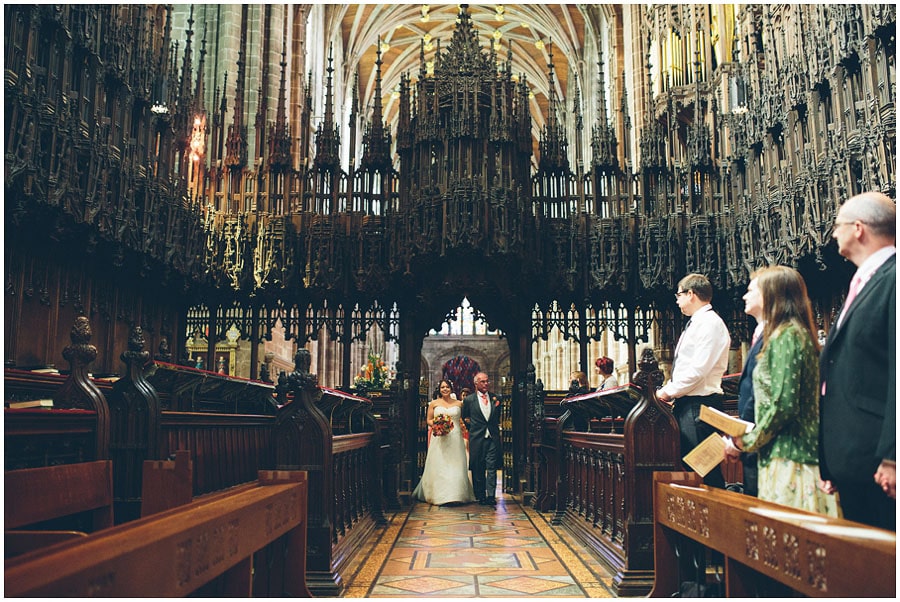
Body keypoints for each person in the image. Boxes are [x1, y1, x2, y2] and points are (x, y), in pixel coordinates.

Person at [723, 266, 839, 516]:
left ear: (772, 294)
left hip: (792, 457)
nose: (745, 296)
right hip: (777, 455)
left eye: (752, 290)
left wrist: (747, 441)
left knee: (793, 541)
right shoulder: (783, 335)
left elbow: (783, 405)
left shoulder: (788, 336)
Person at [819, 191, 895, 530]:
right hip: (854, 459)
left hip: (880, 464)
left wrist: (893, 455)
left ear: (859, 229)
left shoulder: (892, 280)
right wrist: (830, 462)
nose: (834, 233)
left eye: (838, 225)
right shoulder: (862, 281)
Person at [657, 273, 731, 489]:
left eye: (679, 295)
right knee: (694, 468)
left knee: (705, 470)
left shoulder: (710, 324)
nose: (677, 300)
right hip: (690, 404)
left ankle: (716, 518)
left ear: (691, 294)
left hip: (700, 406)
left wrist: (667, 392)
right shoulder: (698, 323)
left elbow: (698, 370)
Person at [412, 379, 475, 506]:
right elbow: (428, 420)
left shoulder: (459, 404)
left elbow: (466, 419)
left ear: (451, 389)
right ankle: (439, 494)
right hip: (440, 437)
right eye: (442, 387)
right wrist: (438, 425)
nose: (445, 389)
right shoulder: (434, 404)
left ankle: (456, 494)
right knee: (440, 464)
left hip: (455, 437)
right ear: (439, 389)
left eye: (447, 387)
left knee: (455, 464)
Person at [735, 273, 765, 497]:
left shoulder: (777, 335)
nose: (744, 296)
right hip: (752, 437)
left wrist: (743, 438)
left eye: (751, 290)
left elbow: (764, 393)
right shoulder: (760, 333)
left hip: (760, 438)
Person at [462, 372, 501, 506]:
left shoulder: (495, 398)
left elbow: (497, 417)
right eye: (483, 382)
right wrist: (473, 428)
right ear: (476, 383)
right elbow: (465, 417)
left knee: (491, 467)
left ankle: (491, 495)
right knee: (478, 467)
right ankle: (481, 495)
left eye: (487, 381)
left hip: (492, 437)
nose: (486, 384)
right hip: (477, 438)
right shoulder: (469, 400)